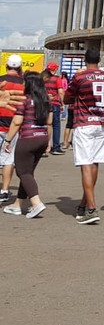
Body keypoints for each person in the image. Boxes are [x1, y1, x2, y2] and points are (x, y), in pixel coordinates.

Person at [64, 48, 104, 224]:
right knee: (94, 164)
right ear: (99, 60)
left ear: (85, 59)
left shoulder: (79, 77)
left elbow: (67, 98)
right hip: (102, 123)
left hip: (84, 122)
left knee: (86, 165)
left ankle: (92, 208)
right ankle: (84, 204)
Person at [1, 73, 52, 218]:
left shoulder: (25, 101)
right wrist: (48, 141)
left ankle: (36, 202)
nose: (22, 85)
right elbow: (49, 122)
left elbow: (16, 122)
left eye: (24, 83)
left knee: (23, 172)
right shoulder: (46, 101)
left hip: (27, 138)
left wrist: (8, 140)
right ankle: (17, 205)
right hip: (41, 138)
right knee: (28, 172)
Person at [0, 54, 26, 203]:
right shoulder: (24, 83)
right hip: (14, 125)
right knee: (9, 159)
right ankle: (4, 190)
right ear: (20, 67)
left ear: (6, 65)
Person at [43, 62, 66, 155]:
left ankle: (43, 147)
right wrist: (62, 103)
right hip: (55, 103)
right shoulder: (57, 79)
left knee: (44, 125)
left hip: (44, 104)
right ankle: (56, 147)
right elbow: (61, 92)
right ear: (55, 69)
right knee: (56, 125)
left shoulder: (42, 78)